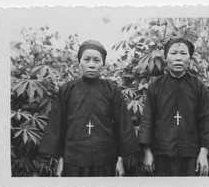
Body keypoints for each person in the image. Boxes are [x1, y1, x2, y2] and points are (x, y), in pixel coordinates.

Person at [38, 40, 140, 177]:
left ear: (103, 63)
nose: (91, 65)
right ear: (79, 62)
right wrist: (60, 159)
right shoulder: (67, 90)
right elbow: (57, 126)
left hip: (106, 159)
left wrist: (120, 159)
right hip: (73, 160)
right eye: (87, 59)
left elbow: (123, 126)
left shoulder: (112, 90)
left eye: (97, 60)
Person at [139, 37, 209, 176]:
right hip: (161, 154)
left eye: (183, 53)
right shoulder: (156, 86)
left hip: (191, 156)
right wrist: (147, 152)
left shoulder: (198, 86)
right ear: (166, 58)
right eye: (173, 53)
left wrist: (203, 153)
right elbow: (147, 119)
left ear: (189, 58)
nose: (178, 58)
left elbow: (207, 120)